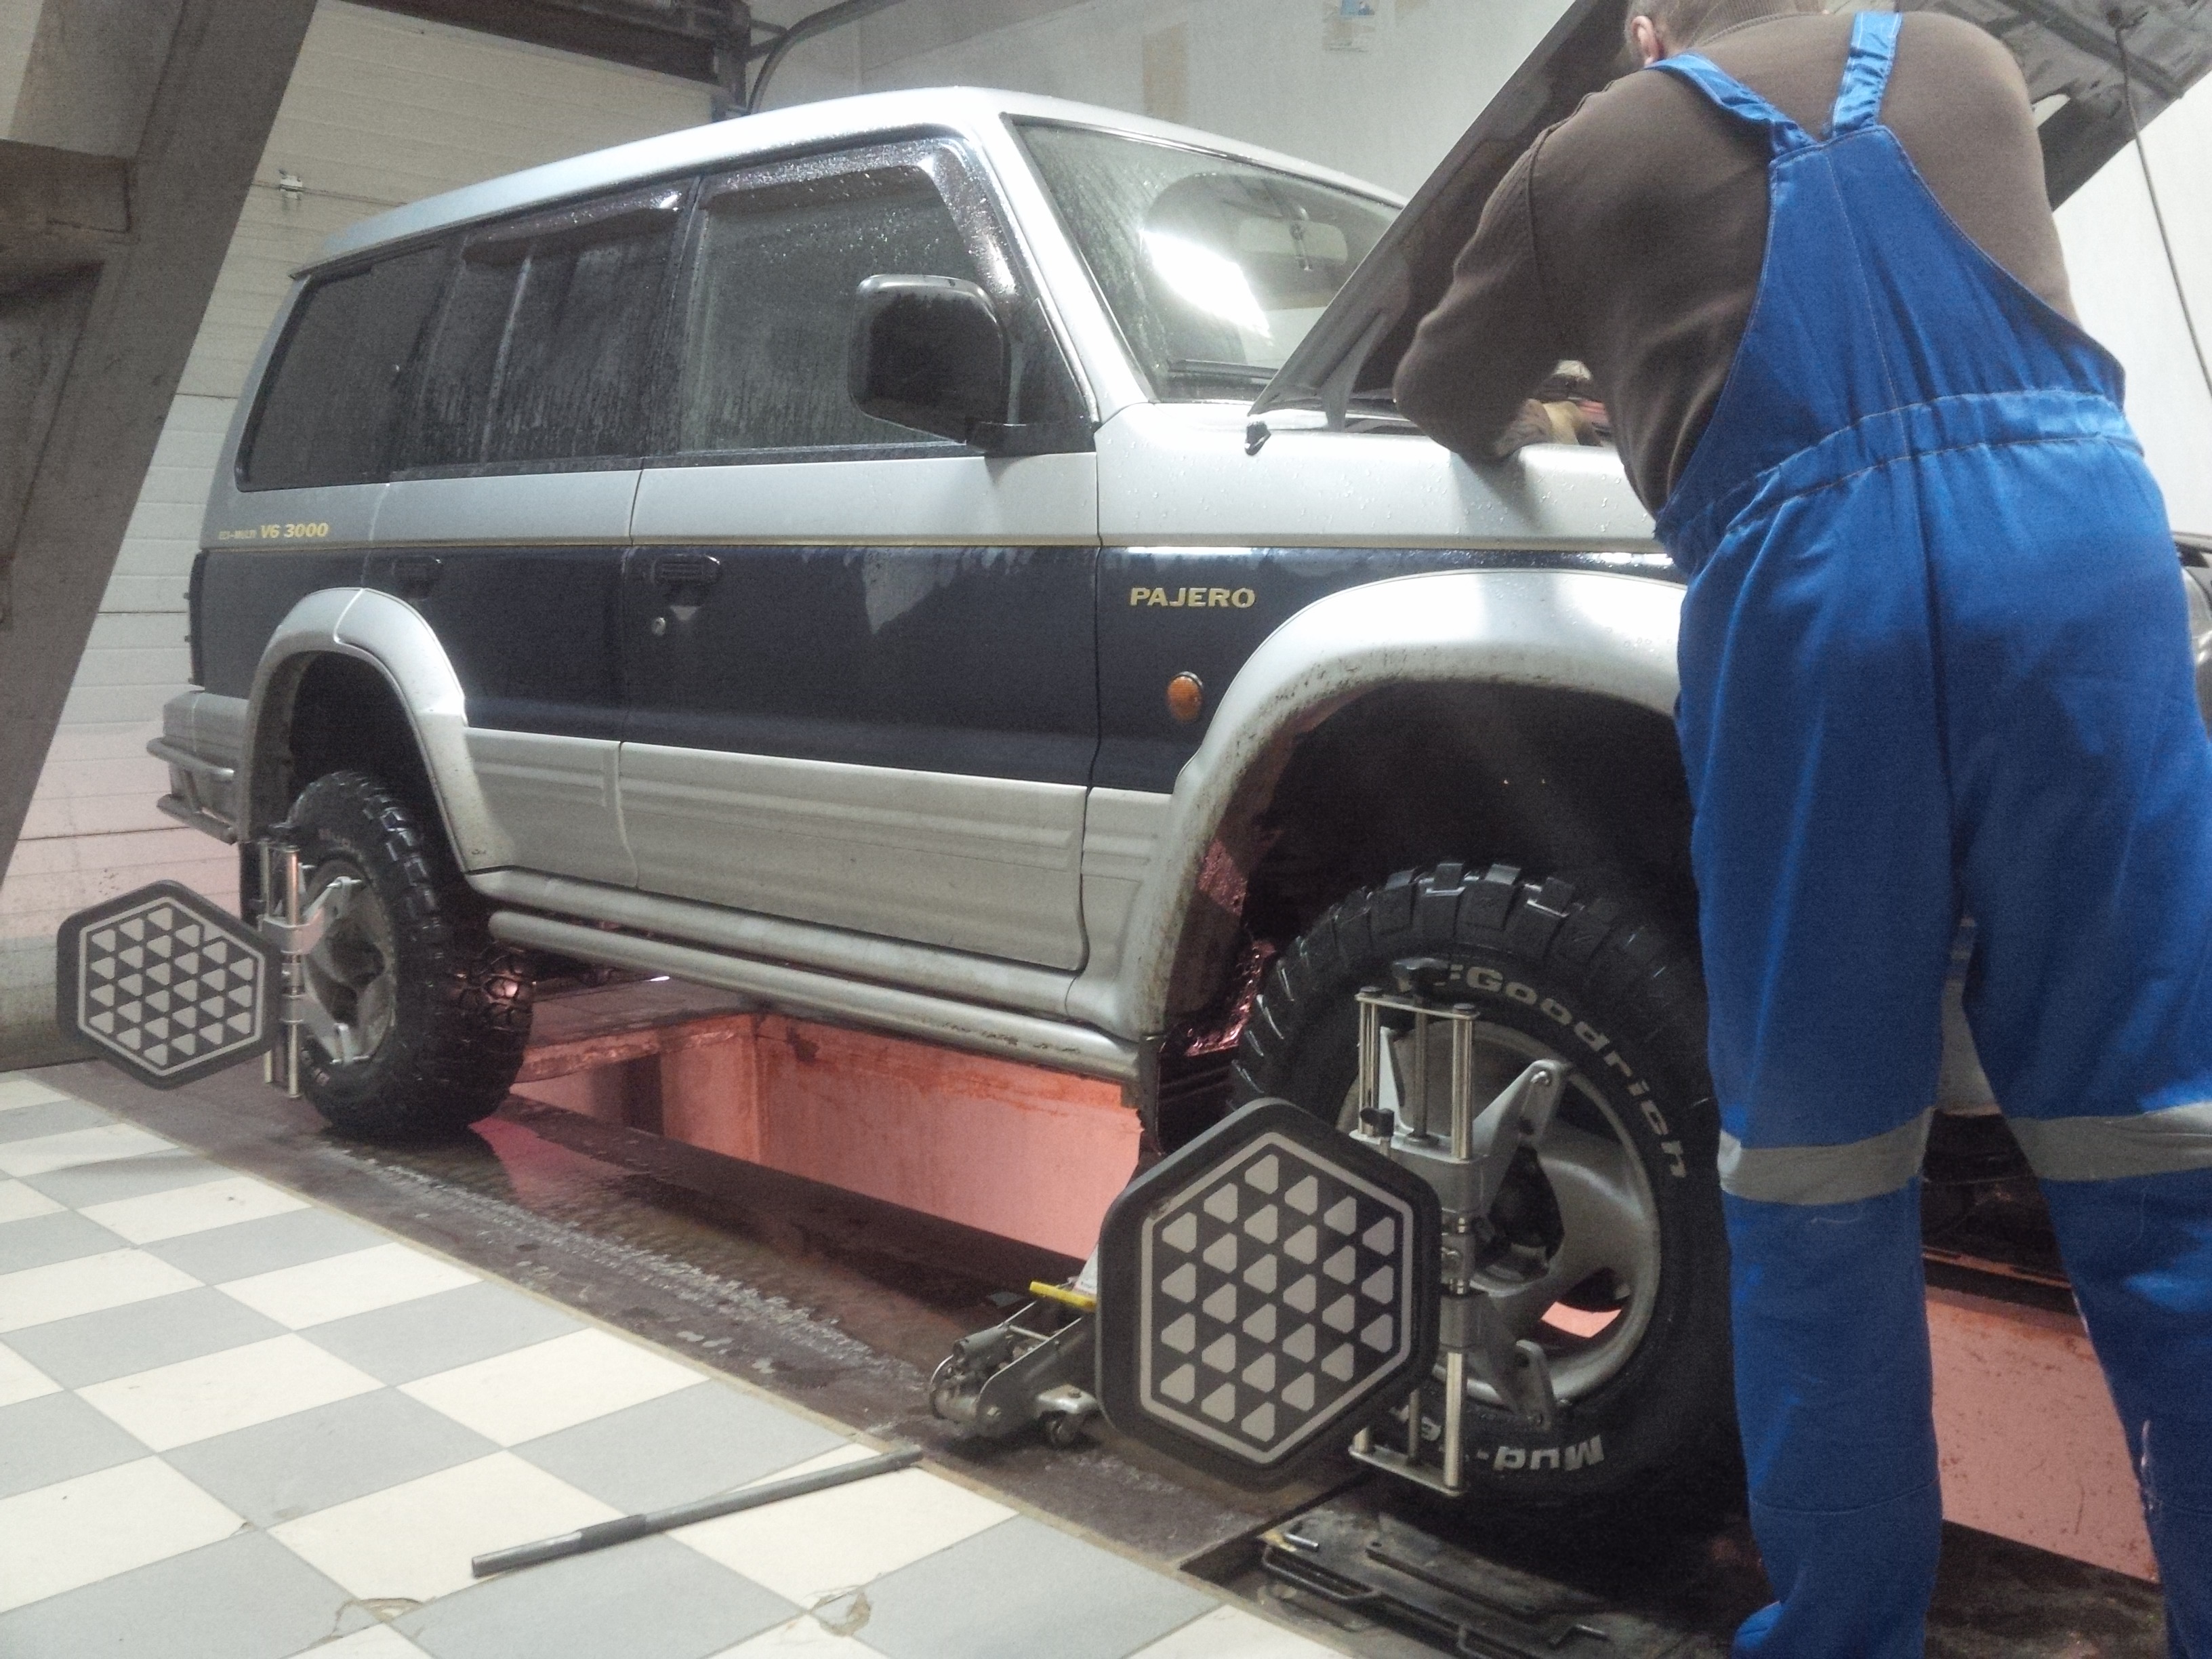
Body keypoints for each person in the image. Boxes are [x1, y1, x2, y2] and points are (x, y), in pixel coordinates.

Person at [1395, 2, 2212, 1653]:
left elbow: (1437, 392)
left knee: (1819, 1171)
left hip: (1818, 609)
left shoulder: (1576, 159)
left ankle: (1846, 1631)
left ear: (1645, 25)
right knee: (2164, 1145)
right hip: (2080, 567)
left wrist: (1582, 398)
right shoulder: (1969, 57)